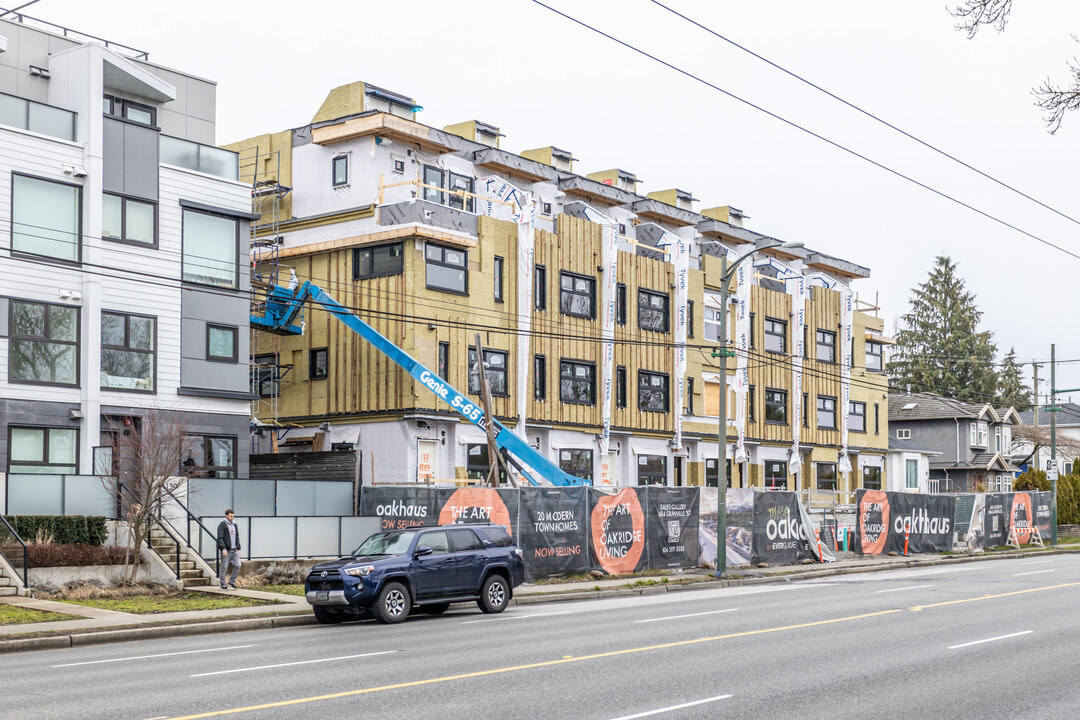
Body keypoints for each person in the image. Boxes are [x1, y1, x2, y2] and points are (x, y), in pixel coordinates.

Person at [216, 509, 242, 590]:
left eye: (233, 516)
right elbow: (220, 538)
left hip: (234, 550)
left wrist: (239, 548)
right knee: (224, 567)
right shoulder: (222, 525)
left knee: (238, 565)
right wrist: (223, 548)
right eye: (231, 516)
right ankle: (223, 584)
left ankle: (231, 582)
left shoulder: (235, 525)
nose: (232, 517)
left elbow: (237, 537)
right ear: (226, 515)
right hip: (226, 550)